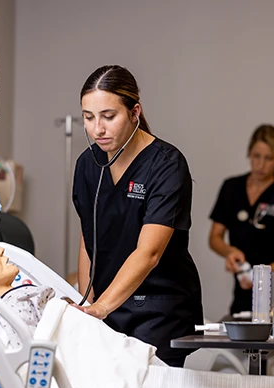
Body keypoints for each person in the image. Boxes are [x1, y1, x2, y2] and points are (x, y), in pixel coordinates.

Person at [72, 65, 203, 367]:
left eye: (108, 116)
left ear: (134, 112)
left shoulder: (167, 165)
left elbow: (150, 252)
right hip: (108, 306)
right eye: (88, 118)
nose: (97, 130)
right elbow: (87, 239)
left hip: (159, 309)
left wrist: (102, 306)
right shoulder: (87, 165)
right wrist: (88, 304)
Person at [209, 124, 274, 315]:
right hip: (245, 288)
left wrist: (261, 275)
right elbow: (215, 237)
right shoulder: (231, 188)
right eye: (256, 156)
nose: (261, 164)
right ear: (249, 154)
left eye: (268, 158)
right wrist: (230, 252)